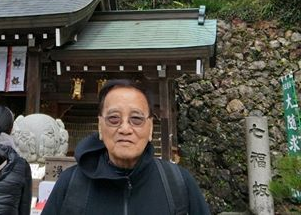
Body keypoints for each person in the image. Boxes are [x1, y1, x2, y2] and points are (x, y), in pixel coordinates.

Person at [42, 79, 211, 215]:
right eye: (114, 118)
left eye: (136, 119)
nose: (125, 129)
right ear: (100, 126)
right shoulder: (70, 184)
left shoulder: (178, 183)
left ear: (150, 128)